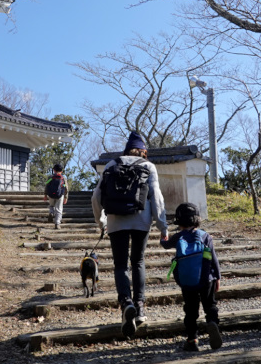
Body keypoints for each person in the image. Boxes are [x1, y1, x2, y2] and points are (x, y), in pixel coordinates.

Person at [92, 131, 169, 338]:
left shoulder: (110, 165)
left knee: (120, 265)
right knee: (138, 261)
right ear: (143, 151)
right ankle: (140, 308)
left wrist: (101, 221)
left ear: (126, 150)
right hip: (141, 220)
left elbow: (96, 196)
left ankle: (125, 302)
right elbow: (157, 197)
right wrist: (163, 227)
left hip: (116, 220)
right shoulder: (148, 166)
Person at [160, 202, 222, 351]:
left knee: (190, 310)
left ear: (179, 221)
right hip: (207, 278)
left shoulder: (177, 237)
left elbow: (165, 244)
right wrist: (217, 277)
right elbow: (213, 258)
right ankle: (212, 323)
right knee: (210, 305)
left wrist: (164, 236)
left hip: (187, 281)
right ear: (197, 219)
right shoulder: (204, 236)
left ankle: (192, 339)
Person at [44, 163, 68, 229]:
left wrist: (45, 195)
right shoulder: (63, 178)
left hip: (51, 195)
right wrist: (66, 197)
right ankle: (57, 224)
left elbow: (47, 185)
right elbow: (66, 188)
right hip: (60, 195)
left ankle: (51, 212)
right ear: (61, 171)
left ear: (54, 170)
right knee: (59, 209)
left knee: (51, 205)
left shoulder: (50, 177)